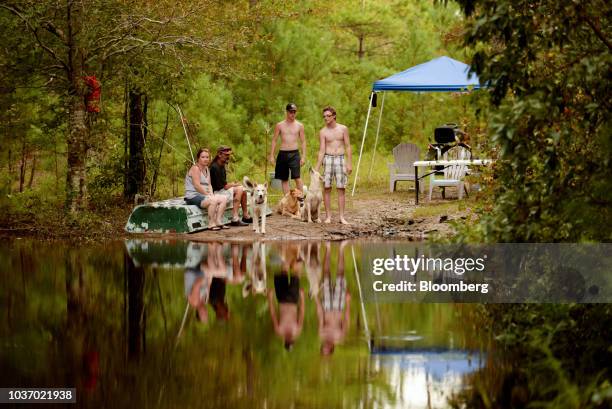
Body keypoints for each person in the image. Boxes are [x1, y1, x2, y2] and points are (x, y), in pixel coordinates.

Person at [316, 106, 352, 224]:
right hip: (328, 159)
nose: (326, 118)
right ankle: (328, 217)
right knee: (326, 188)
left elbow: (347, 146)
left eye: (328, 116)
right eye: (324, 116)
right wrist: (317, 168)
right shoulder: (323, 132)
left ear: (334, 116)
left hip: (341, 159)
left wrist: (349, 163)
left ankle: (342, 217)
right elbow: (321, 150)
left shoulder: (343, 129)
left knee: (341, 188)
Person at [315, 241, 351, 356]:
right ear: (331, 349)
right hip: (339, 306)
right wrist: (348, 302)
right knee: (341, 274)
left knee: (326, 275)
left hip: (326, 306)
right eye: (326, 349)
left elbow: (320, 315)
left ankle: (328, 248)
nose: (325, 346)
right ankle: (341, 249)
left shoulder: (321, 333)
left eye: (323, 348)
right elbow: (346, 320)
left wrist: (316, 298)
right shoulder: (340, 336)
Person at [267, 243, 305, 350]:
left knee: (283, 271)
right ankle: (297, 250)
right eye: (291, 341)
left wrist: (270, 298)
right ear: (293, 340)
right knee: (296, 274)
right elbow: (301, 313)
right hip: (293, 299)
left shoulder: (279, 330)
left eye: (287, 342)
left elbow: (273, 314)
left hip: (282, 299)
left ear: (284, 341)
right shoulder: (297, 330)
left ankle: (284, 249)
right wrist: (302, 297)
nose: (289, 339)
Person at [184, 148, 228, 231]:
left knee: (223, 198)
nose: (205, 159)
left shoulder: (207, 169)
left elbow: (209, 185)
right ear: (198, 158)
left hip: (203, 195)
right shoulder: (195, 168)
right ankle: (211, 224)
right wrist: (207, 195)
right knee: (212, 200)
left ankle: (218, 221)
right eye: (203, 157)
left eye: (207, 157)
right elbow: (197, 186)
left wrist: (211, 193)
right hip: (193, 196)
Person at [268, 103, 306, 194]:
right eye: (291, 112)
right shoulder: (280, 125)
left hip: (294, 154)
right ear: (287, 112)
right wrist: (271, 156)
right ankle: (287, 200)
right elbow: (274, 140)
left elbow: (303, 141)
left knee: (297, 177)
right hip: (283, 153)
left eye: (294, 112)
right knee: (284, 178)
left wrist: (303, 156)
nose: (292, 114)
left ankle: (301, 200)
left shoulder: (299, 125)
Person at [209, 146, 252, 226]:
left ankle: (245, 216)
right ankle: (235, 218)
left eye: (229, 155)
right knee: (239, 188)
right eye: (226, 155)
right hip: (216, 193)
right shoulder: (214, 167)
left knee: (243, 191)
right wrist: (234, 185)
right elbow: (223, 187)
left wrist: (232, 184)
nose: (228, 157)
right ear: (219, 154)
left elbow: (223, 184)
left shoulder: (222, 165)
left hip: (221, 190)